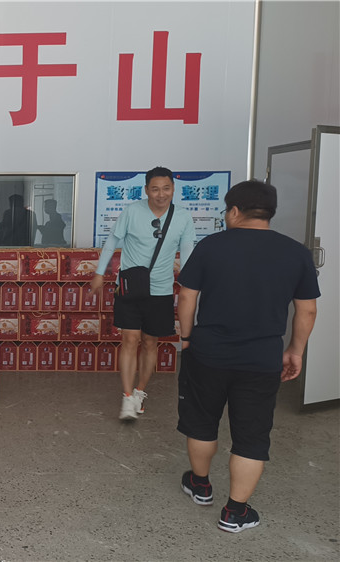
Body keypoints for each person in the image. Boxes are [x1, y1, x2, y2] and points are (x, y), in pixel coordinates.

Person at [176, 180, 318, 533]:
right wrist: (295, 351)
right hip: (262, 358)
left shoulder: (211, 246)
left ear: (235, 211)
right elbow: (307, 310)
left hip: (208, 352)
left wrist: (187, 338)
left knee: (202, 421)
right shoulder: (296, 253)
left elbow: (187, 297)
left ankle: (201, 485)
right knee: (252, 435)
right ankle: (235, 512)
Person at [90, 166, 196, 420]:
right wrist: (99, 273)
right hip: (130, 287)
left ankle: (139, 392)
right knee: (130, 339)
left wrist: (189, 282)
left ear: (173, 189)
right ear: (146, 190)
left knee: (150, 342)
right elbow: (112, 241)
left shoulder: (182, 217)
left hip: (161, 290)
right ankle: (127, 397)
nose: (161, 194)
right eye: (155, 189)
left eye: (166, 188)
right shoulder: (132, 211)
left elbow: (187, 252)